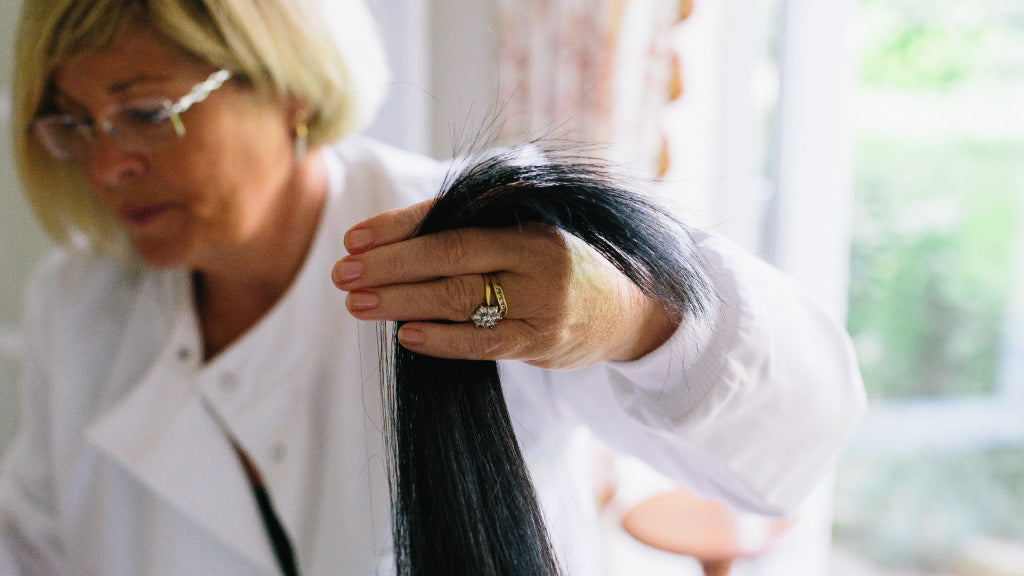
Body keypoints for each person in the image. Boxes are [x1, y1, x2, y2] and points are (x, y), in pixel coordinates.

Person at [0, 0, 866, 574]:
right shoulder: (72, 307)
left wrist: (637, 321)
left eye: (148, 112)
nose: (108, 164)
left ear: (291, 89)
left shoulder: (492, 248)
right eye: (74, 124)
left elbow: (794, 442)